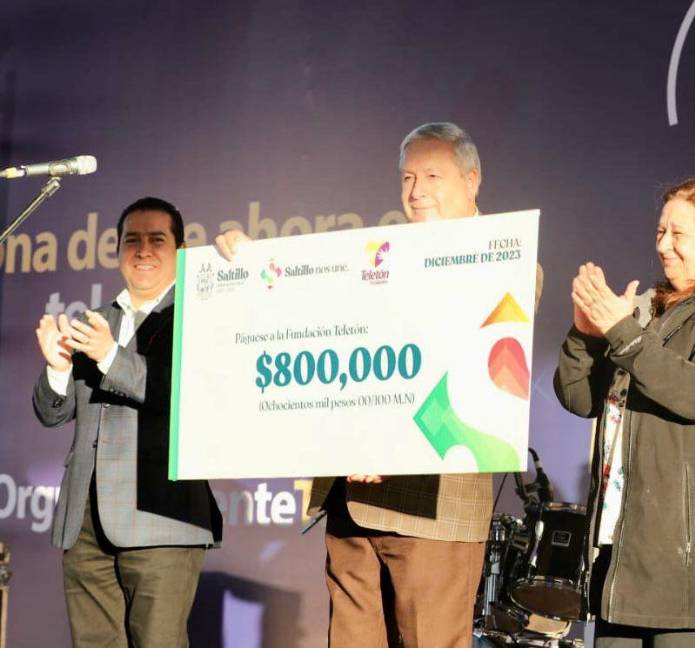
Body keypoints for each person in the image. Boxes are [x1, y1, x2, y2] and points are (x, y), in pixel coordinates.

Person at [216, 121, 518, 647]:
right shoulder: (375, 257)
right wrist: (249, 265)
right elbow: (311, 328)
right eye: (407, 178)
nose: (416, 191)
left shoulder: (505, 259)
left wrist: (390, 442)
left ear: (472, 179)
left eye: (432, 176)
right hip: (351, 500)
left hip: (431, 508)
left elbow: (474, 369)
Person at [554, 178, 695, 647]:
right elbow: (579, 399)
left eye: (678, 234)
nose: (663, 246)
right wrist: (585, 334)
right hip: (625, 555)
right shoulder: (646, 314)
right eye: (660, 232)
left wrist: (622, 332)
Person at [33, 197, 222, 648]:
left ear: (181, 250)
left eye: (157, 239)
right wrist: (57, 369)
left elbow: (188, 396)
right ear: (117, 250)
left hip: (161, 516)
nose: (143, 250)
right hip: (85, 522)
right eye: (132, 240)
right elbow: (52, 413)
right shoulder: (96, 320)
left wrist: (110, 356)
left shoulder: (203, 315)